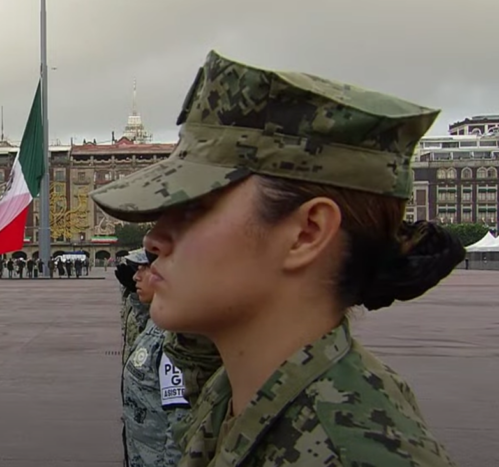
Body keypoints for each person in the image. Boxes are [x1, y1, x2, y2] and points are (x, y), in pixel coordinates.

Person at [89, 51, 465, 466]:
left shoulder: (353, 451)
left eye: (198, 207)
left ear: (306, 234)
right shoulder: (239, 389)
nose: (154, 238)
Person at [120, 247, 190, 467]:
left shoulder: (177, 337)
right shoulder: (155, 323)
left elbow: (179, 427)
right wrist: (132, 293)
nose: (135, 276)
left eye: (144, 268)